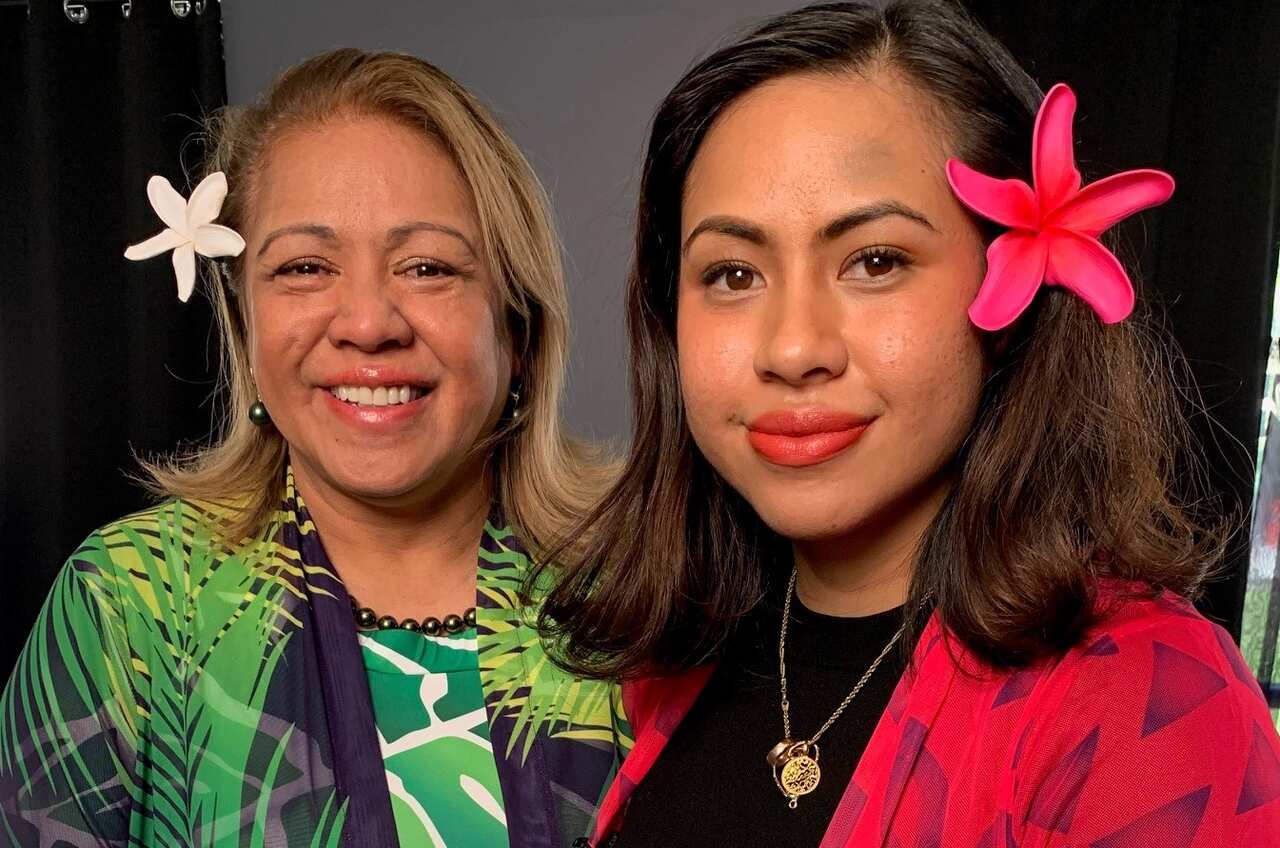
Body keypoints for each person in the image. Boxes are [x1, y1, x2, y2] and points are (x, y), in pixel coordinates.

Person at [539, 2, 1280, 846]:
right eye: (734, 273)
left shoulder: (1153, 707)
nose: (793, 347)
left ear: (1011, 303)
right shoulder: (672, 668)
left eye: (876, 261)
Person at [0, 48, 626, 848]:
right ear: (245, 323)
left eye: (428, 267)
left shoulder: (644, 595)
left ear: (516, 319)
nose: (368, 323)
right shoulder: (130, 605)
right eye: (305, 267)